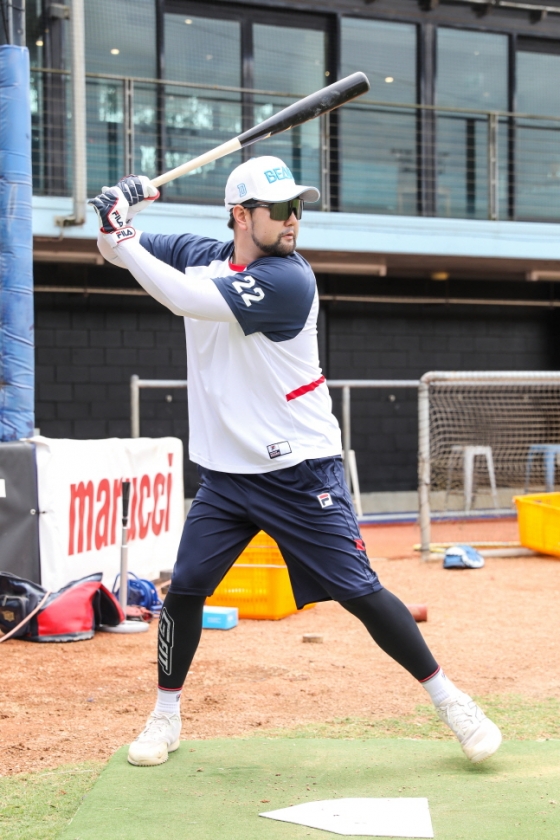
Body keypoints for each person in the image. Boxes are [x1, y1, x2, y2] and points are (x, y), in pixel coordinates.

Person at [90, 156, 502, 768]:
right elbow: (111, 250)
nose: (292, 220)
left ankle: (452, 702)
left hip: (301, 471)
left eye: (297, 208)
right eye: (279, 209)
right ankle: (165, 717)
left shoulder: (289, 280)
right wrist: (119, 216)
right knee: (187, 589)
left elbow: (181, 298)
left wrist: (123, 233)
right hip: (228, 475)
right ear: (240, 215)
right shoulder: (198, 249)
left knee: (360, 592)